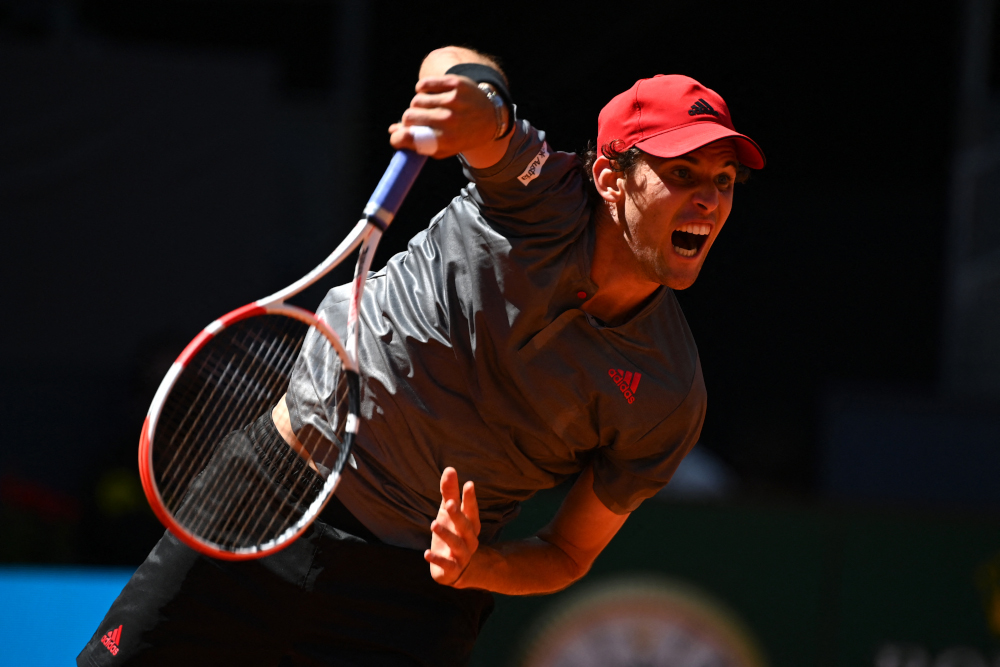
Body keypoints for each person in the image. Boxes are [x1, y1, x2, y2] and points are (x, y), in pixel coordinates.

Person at [78, 46, 764, 667]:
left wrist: (477, 563)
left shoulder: (669, 389)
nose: (708, 196)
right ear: (611, 177)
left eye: (724, 180)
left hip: (410, 596)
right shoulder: (542, 198)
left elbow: (567, 551)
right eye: (681, 172)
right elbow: (460, 71)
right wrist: (475, 97)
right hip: (268, 494)